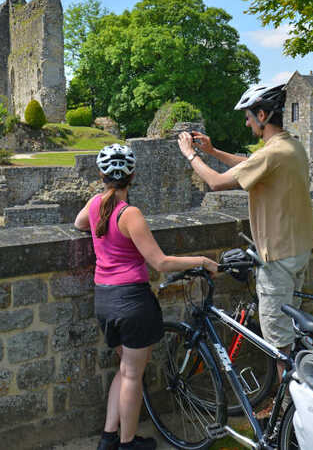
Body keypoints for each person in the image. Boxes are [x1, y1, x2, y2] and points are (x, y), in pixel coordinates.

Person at [75, 143, 219, 450]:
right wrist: (203, 261)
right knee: (132, 375)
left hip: (104, 299)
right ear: (133, 175)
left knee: (125, 369)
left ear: (101, 175)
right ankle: (127, 445)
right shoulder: (130, 214)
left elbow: (78, 225)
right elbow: (160, 262)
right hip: (132, 302)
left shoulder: (95, 204)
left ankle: (108, 438)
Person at [177, 84, 313, 386]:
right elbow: (249, 166)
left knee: (279, 344)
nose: (247, 122)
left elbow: (215, 183)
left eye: (249, 116)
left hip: (278, 257)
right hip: (298, 249)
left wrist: (191, 155)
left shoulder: (274, 153)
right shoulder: (290, 147)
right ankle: (294, 402)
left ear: (263, 115)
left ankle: (288, 414)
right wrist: (212, 151)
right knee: (292, 332)